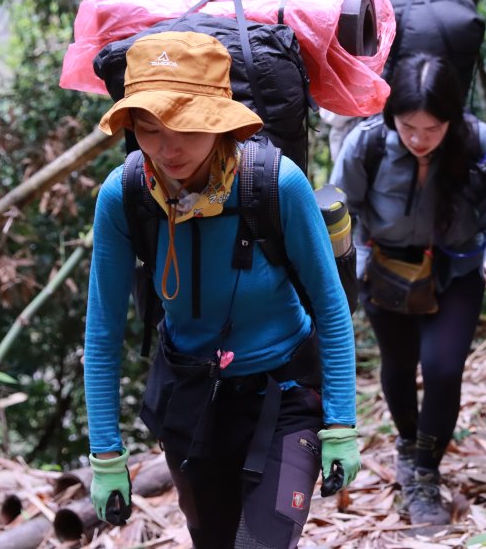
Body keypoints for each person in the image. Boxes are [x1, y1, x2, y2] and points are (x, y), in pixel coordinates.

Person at [83, 30, 360, 549]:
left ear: (219, 120)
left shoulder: (276, 184)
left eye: (186, 127)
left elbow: (331, 305)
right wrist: (106, 454)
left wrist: (341, 422)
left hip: (285, 394)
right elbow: (103, 330)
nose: (167, 149)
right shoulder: (125, 197)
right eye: (148, 129)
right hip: (192, 399)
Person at [330, 53, 486, 526]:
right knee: (398, 364)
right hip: (384, 268)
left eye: (432, 128)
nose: (418, 139)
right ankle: (409, 442)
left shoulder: (476, 143)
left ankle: (425, 474)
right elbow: (339, 209)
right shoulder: (367, 144)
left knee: (442, 368)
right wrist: (354, 265)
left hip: (455, 271)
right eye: (408, 126)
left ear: (451, 119)